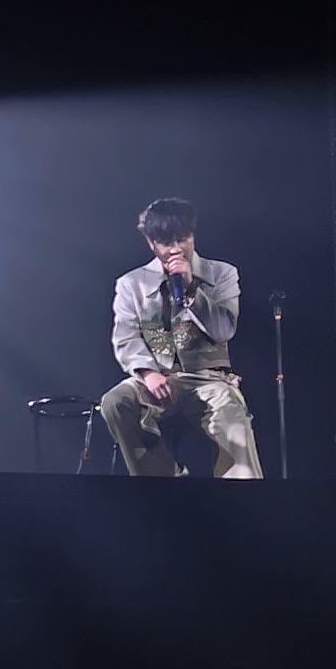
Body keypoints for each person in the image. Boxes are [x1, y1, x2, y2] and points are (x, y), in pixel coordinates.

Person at [100, 198, 264, 478]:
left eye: (183, 238)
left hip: (210, 380)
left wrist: (190, 290)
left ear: (192, 235)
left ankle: (241, 492)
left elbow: (224, 330)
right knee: (115, 402)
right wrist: (148, 373)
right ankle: (163, 481)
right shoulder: (131, 284)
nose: (176, 248)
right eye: (166, 242)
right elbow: (126, 336)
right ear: (151, 243)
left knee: (233, 419)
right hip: (157, 379)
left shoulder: (222, 274)